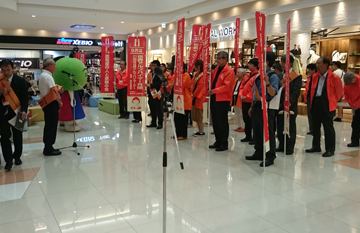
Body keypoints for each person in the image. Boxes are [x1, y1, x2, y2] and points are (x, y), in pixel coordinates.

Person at [245, 52, 279, 167]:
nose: (259, 63)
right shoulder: (259, 75)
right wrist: (251, 106)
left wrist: (267, 82)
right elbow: (255, 92)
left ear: (267, 62)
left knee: (268, 132)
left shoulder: (272, 76)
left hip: (267, 107)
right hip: (256, 105)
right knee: (258, 130)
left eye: (261, 61)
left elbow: (273, 92)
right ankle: (259, 151)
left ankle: (270, 155)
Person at [306, 57, 343, 157]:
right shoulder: (314, 76)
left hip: (327, 103)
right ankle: (316, 146)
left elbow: (339, 92)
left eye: (319, 63)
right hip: (316, 102)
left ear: (326, 65)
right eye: (316, 63)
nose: (317, 65)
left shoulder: (334, 77)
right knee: (315, 126)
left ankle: (330, 149)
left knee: (328, 127)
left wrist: (332, 100)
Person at [0, 59, 28, 171]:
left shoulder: (20, 81)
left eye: (8, 70)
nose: (6, 72)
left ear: (13, 68)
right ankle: (8, 160)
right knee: (4, 137)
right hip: (2, 114)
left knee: (17, 136)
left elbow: (24, 98)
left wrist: (25, 110)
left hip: (17, 112)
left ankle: (17, 157)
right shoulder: (0, 81)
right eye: (3, 70)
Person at [208, 51, 235, 151]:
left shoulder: (229, 71)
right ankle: (218, 140)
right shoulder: (216, 69)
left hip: (223, 99)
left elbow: (226, 87)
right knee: (215, 121)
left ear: (225, 59)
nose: (217, 60)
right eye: (217, 58)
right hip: (214, 97)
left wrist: (214, 91)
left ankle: (224, 143)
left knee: (222, 121)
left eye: (219, 58)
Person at [276, 55, 302, 155]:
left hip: (290, 105)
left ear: (290, 63)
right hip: (279, 104)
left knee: (290, 126)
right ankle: (282, 144)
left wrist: (289, 102)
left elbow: (296, 92)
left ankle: (290, 147)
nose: (281, 64)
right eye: (281, 62)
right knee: (280, 126)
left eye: (283, 62)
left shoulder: (296, 75)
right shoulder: (280, 75)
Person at [39, 58, 64, 156]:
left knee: (49, 125)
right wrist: (59, 101)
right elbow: (52, 92)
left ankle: (48, 146)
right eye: (54, 64)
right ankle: (48, 148)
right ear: (49, 65)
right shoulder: (47, 77)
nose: (55, 67)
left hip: (46, 103)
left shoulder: (44, 75)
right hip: (50, 103)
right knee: (51, 126)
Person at [240, 58, 259, 143]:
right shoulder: (246, 76)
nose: (249, 65)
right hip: (244, 101)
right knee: (246, 119)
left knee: (253, 120)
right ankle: (248, 136)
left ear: (255, 66)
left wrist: (247, 97)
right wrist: (241, 95)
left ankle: (255, 138)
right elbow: (241, 87)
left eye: (250, 64)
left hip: (251, 101)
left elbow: (254, 90)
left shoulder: (257, 76)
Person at [174, 64, 193, 140]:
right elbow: (170, 84)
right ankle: (177, 133)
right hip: (178, 100)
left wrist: (174, 82)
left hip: (185, 100)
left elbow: (181, 84)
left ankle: (183, 134)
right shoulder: (176, 76)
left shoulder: (186, 75)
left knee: (182, 119)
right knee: (177, 118)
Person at [343, 72, 360, 147]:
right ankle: (355, 141)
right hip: (354, 107)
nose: (349, 84)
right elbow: (346, 94)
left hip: (357, 105)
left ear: (354, 78)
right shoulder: (347, 84)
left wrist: (356, 104)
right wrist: (350, 103)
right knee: (355, 124)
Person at [146, 63, 163, 129]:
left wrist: (150, 85)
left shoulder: (160, 75)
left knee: (158, 109)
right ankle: (153, 122)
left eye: (154, 66)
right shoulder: (151, 74)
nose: (152, 67)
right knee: (152, 108)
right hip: (151, 94)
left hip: (157, 94)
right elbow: (148, 83)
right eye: (152, 65)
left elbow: (158, 84)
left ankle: (160, 123)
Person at [191, 60, 205, 136]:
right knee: (196, 114)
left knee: (199, 114)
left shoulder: (203, 75)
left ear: (199, 66)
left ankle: (201, 130)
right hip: (194, 96)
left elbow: (200, 87)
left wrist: (194, 94)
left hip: (199, 97)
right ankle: (199, 130)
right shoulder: (196, 74)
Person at [304, 63, 317, 135]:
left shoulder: (316, 77)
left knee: (314, 114)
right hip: (309, 97)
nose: (308, 71)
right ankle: (311, 129)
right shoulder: (310, 78)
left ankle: (314, 129)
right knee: (309, 114)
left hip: (314, 98)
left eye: (310, 69)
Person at [232, 68, 245, 132]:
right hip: (235, 97)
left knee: (241, 113)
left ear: (242, 74)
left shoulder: (244, 81)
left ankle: (243, 126)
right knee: (236, 113)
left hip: (240, 98)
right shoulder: (236, 81)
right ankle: (239, 125)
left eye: (238, 72)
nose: (237, 74)